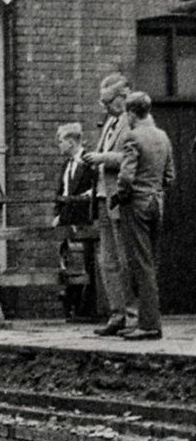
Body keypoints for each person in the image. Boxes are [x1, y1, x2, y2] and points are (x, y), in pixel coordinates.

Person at [110, 92, 174, 340]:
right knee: (151, 263)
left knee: (140, 264)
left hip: (136, 204)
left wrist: (123, 196)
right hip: (157, 201)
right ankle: (149, 320)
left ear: (130, 113)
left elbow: (125, 178)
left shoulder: (133, 137)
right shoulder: (163, 136)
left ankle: (149, 324)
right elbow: (169, 176)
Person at [82, 73, 135, 336]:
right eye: (102, 102)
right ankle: (117, 314)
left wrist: (102, 157)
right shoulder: (109, 123)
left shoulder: (134, 121)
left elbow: (131, 156)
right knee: (108, 260)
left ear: (123, 97)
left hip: (121, 197)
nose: (104, 107)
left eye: (108, 101)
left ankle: (133, 315)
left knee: (125, 258)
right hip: (103, 196)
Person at [53, 122, 99, 317]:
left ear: (71, 142)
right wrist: (57, 215)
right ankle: (72, 307)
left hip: (83, 220)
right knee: (67, 262)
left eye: (61, 141)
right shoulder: (66, 164)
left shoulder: (90, 162)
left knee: (86, 263)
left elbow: (95, 187)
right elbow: (61, 191)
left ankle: (86, 308)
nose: (59, 145)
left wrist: (87, 196)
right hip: (66, 220)